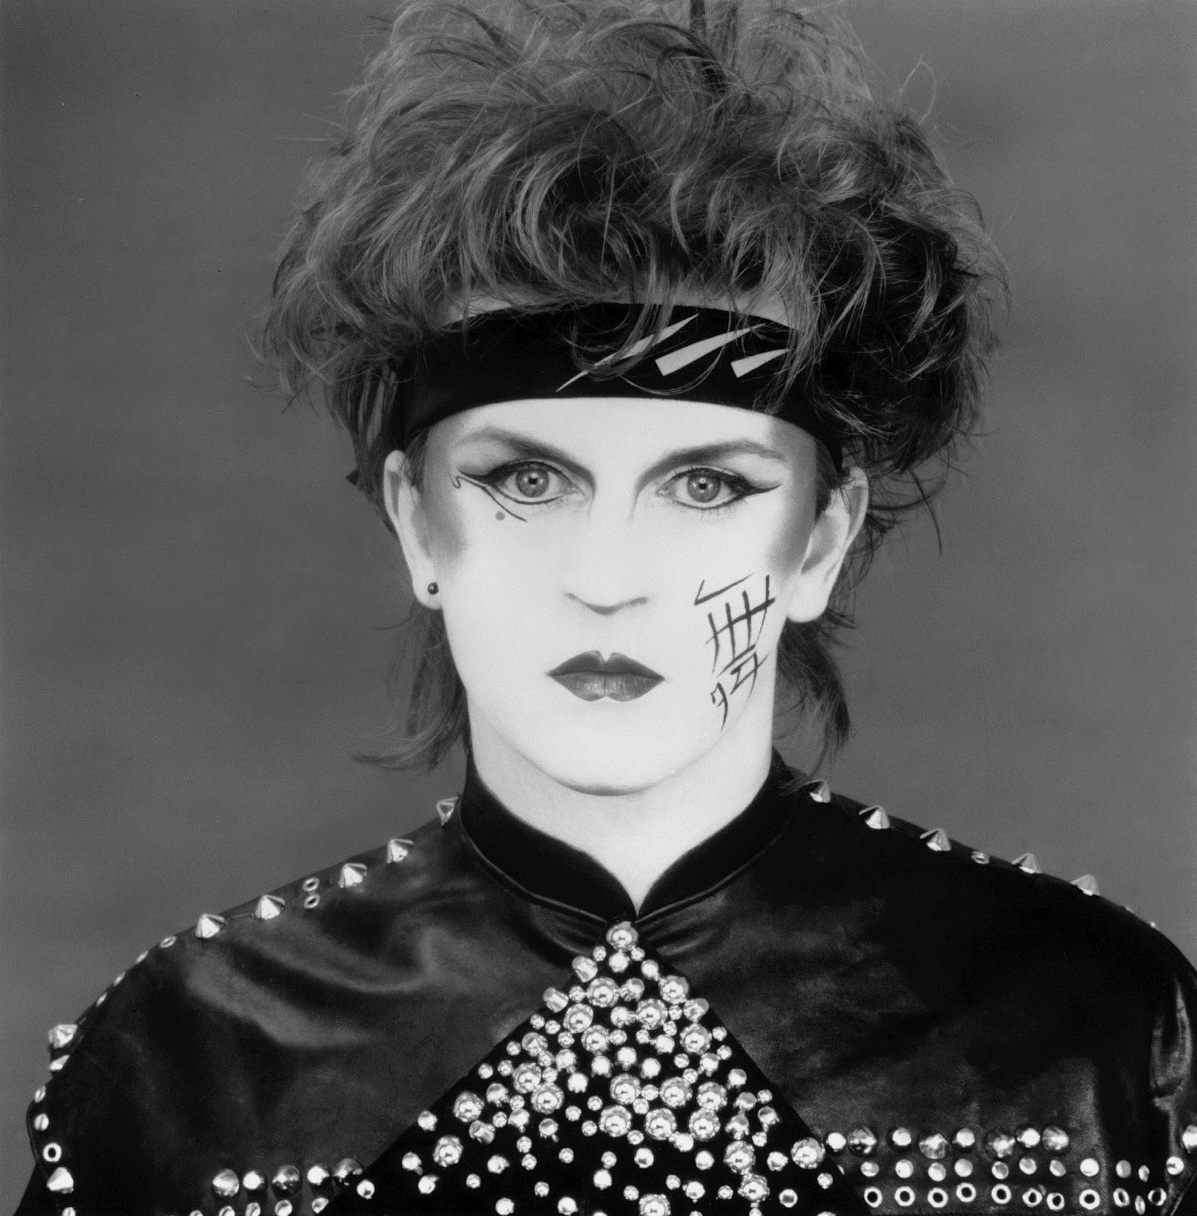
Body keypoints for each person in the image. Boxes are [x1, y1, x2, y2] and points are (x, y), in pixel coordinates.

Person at [16, 1, 1197, 1214]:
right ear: (417, 523)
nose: (608, 575)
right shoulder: (193, 1064)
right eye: (529, 481)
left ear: (821, 540)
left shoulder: (1089, 1038)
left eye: (706, 485)